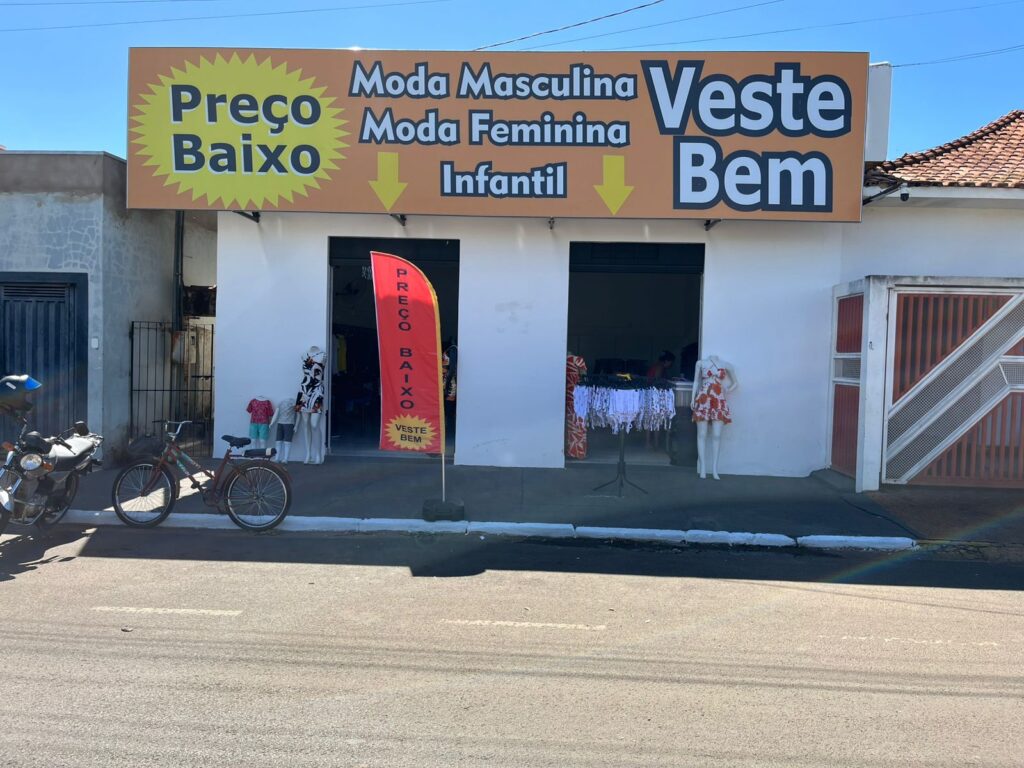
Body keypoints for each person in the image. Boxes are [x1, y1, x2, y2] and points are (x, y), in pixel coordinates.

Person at [646, 351, 675, 449]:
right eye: (670, 362)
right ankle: (656, 444)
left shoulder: (656, 365)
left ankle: (649, 443)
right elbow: (657, 381)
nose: (670, 365)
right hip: (655, 395)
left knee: (651, 420)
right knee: (657, 420)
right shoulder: (660, 367)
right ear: (667, 361)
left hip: (650, 393)